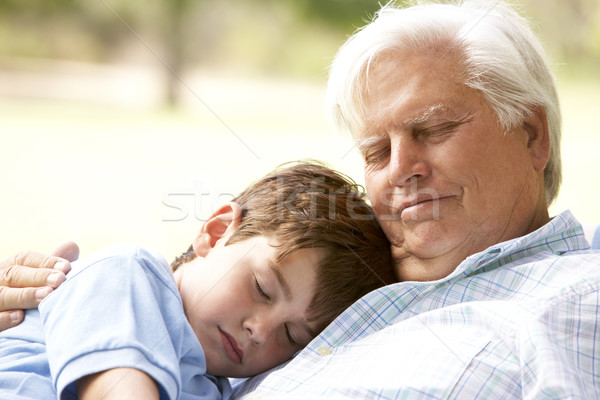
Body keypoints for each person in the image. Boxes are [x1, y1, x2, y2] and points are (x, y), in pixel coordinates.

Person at [2, 0, 600, 397]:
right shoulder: (335, 270)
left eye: (434, 129)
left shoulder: (569, 298)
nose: (400, 172)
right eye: (374, 151)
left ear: (531, 134)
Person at [0, 161, 395, 399]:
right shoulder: (128, 277)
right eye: (262, 288)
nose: (259, 330)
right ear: (216, 231)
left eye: (292, 336)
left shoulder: (216, 388)